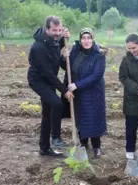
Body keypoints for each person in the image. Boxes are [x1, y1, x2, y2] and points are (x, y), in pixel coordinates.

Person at [27, 15, 74, 157]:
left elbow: (55, 46)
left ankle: (44, 148)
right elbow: (48, 73)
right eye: (54, 30)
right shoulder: (38, 47)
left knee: (47, 113)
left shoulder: (52, 40)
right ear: (46, 29)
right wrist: (64, 90)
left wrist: (63, 40)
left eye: (60, 30)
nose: (57, 33)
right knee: (57, 104)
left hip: (48, 80)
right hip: (38, 80)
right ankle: (54, 136)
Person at [62, 28, 107, 158]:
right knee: (80, 118)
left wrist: (77, 84)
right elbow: (67, 67)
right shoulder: (75, 52)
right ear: (80, 39)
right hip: (78, 93)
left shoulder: (99, 54)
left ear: (93, 39)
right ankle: (82, 144)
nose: (86, 41)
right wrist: (64, 58)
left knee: (94, 119)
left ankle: (97, 147)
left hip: (93, 93)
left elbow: (97, 75)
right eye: (83, 38)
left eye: (89, 38)